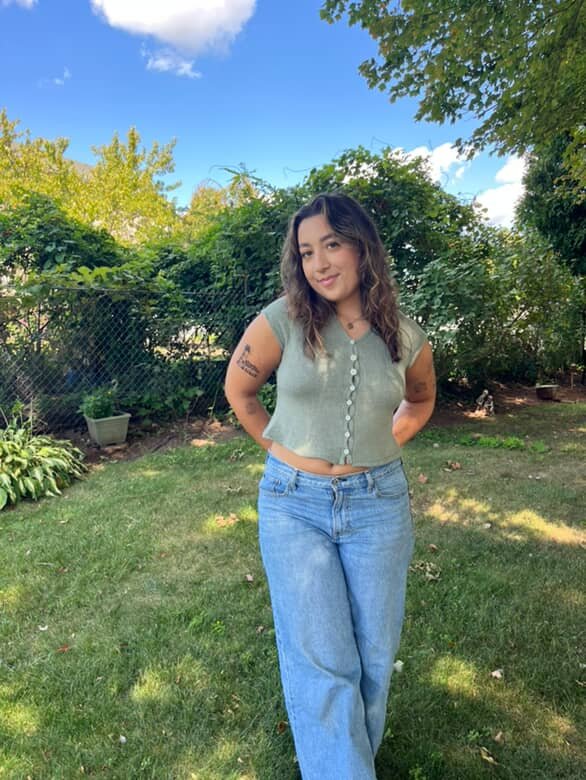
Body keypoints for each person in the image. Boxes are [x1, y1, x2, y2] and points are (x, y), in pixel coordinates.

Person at [224, 192, 435, 779]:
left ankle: (348, 758)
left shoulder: (404, 336)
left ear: (362, 247)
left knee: (373, 655)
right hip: (294, 506)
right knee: (322, 657)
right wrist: (280, 450)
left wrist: (388, 441)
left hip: (378, 505)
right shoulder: (282, 320)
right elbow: (240, 390)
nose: (319, 263)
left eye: (332, 244)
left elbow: (421, 399)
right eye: (307, 251)